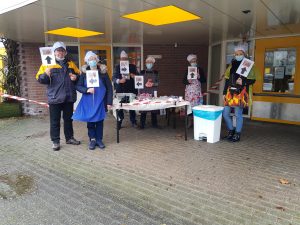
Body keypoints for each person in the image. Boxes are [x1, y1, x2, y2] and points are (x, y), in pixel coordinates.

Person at [36, 41, 81, 151]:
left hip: (69, 97)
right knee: (55, 121)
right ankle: (55, 141)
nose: (60, 53)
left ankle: (69, 138)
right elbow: (40, 79)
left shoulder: (71, 64)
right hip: (55, 98)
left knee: (68, 120)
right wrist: (46, 73)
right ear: (54, 52)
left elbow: (79, 76)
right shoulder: (47, 64)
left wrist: (76, 77)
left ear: (65, 52)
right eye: (58, 51)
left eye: (62, 50)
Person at [72, 51, 113, 150]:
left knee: (99, 121)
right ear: (87, 61)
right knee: (90, 121)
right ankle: (92, 139)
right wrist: (87, 90)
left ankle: (99, 139)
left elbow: (109, 88)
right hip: (88, 102)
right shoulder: (84, 73)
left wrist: (109, 102)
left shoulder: (103, 73)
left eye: (94, 59)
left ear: (97, 60)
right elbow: (78, 86)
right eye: (90, 59)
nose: (92, 61)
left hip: (100, 101)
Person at [222, 43, 258, 142]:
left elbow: (253, 80)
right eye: (236, 54)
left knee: (238, 114)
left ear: (244, 54)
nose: (238, 55)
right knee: (225, 113)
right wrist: (224, 92)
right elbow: (227, 79)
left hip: (241, 92)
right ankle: (231, 131)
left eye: (240, 53)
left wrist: (244, 81)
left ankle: (237, 134)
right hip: (230, 92)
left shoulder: (248, 64)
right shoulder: (232, 64)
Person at [112, 50, 138, 129]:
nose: (124, 60)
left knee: (132, 107)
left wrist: (134, 76)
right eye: (122, 58)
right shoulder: (117, 67)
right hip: (121, 90)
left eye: (125, 58)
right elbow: (113, 78)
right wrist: (119, 81)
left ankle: (133, 121)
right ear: (120, 59)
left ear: (128, 59)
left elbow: (139, 77)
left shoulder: (133, 67)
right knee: (120, 107)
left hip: (131, 90)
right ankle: (119, 122)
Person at [183, 54, 206, 126]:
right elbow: (183, 81)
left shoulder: (200, 69)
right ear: (189, 62)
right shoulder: (188, 70)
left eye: (194, 61)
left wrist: (199, 77)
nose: (193, 62)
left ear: (196, 61)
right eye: (192, 61)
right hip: (189, 92)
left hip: (197, 92)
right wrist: (188, 81)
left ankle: (197, 122)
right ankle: (189, 122)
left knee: (197, 107)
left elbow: (204, 80)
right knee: (189, 107)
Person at [139, 56, 159, 129]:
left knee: (154, 108)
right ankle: (142, 124)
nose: (149, 64)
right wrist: (143, 83)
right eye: (147, 62)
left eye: (150, 62)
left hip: (153, 91)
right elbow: (139, 81)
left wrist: (153, 84)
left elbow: (158, 82)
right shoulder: (142, 72)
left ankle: (154, 124)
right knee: (144, 108)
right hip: (144, 92)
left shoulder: (156, 72)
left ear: (153, 63)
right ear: (145, 63)